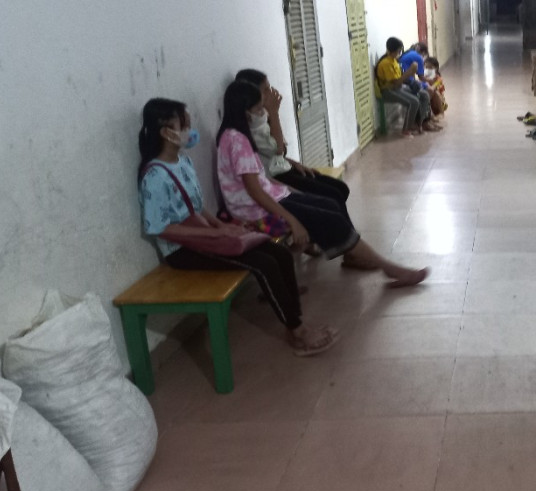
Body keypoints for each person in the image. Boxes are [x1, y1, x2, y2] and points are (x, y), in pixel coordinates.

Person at [136, 98, 339, 356]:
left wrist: (222, 226)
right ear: (166, 132)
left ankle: (295, 319)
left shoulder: (182, 162)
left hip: (206, 235)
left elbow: (196, 207)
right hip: (182, 250)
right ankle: (297, 333)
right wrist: (215, 232)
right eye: (183, 125)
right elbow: (160, 228)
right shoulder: (154, 176)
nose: (189, 130)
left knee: (279, 253)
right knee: (263, 264)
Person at [215, 80, 429, 287]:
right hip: (254, 211)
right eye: (259, 109)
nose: (263, 113)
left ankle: (332, 258)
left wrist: (287, 190)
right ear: (245, 112)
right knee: (329, 219)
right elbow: (254, 191)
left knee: (330, 204)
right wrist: (292, 220)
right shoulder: (237, 141)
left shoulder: (236, 135)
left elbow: (259, 178)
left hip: (270, 198)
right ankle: (388, 268)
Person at [234, 69, 351, 207]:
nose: (271, 93)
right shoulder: (250, 125)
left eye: (269, 88)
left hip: (283, 167)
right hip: (275, 175)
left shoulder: (262, 116)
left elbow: (282, 151)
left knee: (341, 188)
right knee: (333, 196)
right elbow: (277, 150)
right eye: (265, 90)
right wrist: (274, 113)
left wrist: (295, 164)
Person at [377, 37, 437, 137]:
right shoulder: (386, 63)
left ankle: (420, 123)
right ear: (392, 50)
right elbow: (395, 83)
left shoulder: (394, 61)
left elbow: (400, 78)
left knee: (424, 95)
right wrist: (410, 72)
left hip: (399, 87)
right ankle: (406, 129)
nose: (400, 53)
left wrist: (412, 78)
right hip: (388, 90)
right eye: (398, 51)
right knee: (414, 101)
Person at [398, 41, 441, 130]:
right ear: (424, 53)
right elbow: (421, 77)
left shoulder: (408, 53)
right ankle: (423, 121)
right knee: (429, 91)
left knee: (429, 89)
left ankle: (427, 117)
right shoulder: (418, 57)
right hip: (406, 82)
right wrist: (430, 81)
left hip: (405, 80)